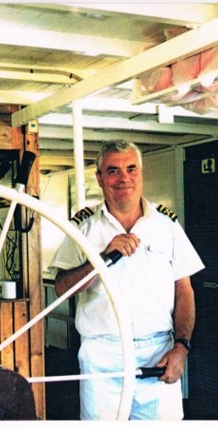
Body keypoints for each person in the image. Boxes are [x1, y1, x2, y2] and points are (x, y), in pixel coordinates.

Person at [49, 140, 204, 420]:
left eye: (131, 169)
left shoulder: (166, 225)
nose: (124, 178)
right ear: (99, 178)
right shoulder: (83, 227)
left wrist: (182, 348)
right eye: (113, 170)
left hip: (159, 351)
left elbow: (185, 291)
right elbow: (61, 288)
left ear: (141, 174)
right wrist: (101, 257)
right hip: (102, 355)